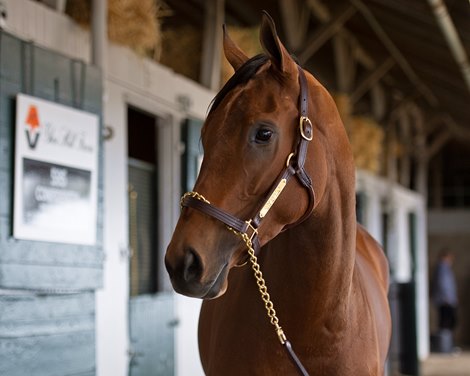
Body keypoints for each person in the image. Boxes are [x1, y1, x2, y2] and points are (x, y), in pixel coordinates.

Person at [431, 249, 458, 332]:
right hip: (446, 300)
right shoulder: (442, 268)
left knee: (447, 321)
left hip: (446, 300)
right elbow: (443, 284)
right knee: (447, 321)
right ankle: (445, 342)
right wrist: (447, 297)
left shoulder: (444, 268)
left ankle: (446, 341)